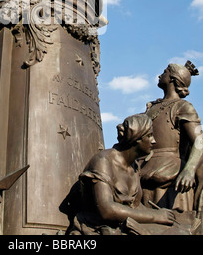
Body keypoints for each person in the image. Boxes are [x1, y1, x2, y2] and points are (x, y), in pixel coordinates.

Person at [65, 114, 181, 235]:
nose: (154, 141)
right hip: (99, 228)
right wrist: (155, 216)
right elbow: (106, 210)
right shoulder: (102, 162)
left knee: (183, 229)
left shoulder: (135, 166)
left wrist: (163, 215)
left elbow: (135, 206)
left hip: (125, 225)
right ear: (136, 138)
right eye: (149, 136)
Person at [140, 61, 203, 213]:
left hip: (171, 176)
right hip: (144, 172)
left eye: (165, 72)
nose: (160, 75)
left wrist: (189, 169)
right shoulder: (151, 107)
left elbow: (199, 141)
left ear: (174, 79)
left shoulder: (183, 107)